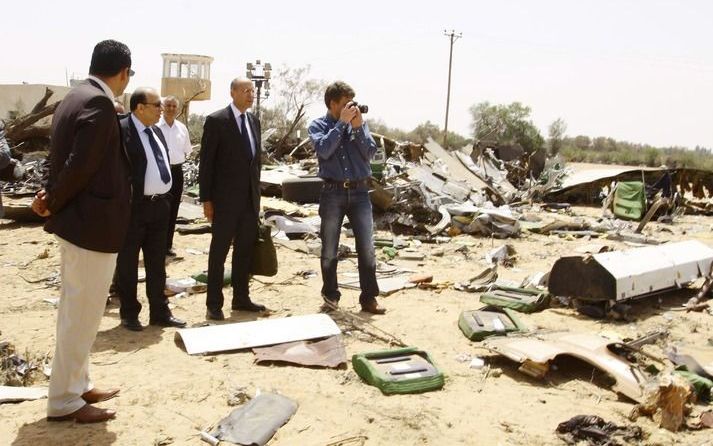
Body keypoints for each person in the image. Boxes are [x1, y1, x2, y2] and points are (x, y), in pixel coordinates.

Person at [31, 39, 133, 423]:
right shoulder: (100, 103)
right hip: (91, 224)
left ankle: (78, 382)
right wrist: (52, 198)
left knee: (79, 310)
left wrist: (48, 194)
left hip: (80, 222)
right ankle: (64, 401)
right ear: (124, 72)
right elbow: (80, 164)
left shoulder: (74, 96)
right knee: (82, 313)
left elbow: (57, 158)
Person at [308, 81, 385, 314]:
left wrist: (359, 127)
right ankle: (331, 297)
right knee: (330, 248)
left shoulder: (359, 124)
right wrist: (341, 124)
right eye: (345, 104)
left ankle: (369, 298)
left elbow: (371, 152)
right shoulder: (318, 125)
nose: (352, 108)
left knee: (367, 248)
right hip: (332, 192)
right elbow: (324, 149)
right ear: (333, 104)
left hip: (360, 192)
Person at [115, 87, 187, 331]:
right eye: (156, 105)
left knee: (157, 262)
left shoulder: (155, 130)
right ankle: (129, 312)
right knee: (128, 263)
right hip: (133, 209)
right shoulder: (121, 131)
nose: (161, 109)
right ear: (140, 107)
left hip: (159, 206)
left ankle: (159, 311)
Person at [199, 78, 265, 321]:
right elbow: (206, 163)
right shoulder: (217, 121)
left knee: (244, 252)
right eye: (246, 91)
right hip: (224, 201)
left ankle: (241, 298)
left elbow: (255, 164)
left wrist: (257, 199)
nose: (251, 95)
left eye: (252, 91)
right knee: (219, 253)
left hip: (249, 201)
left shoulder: (254, 121)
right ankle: (214, 303)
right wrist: (206, 198)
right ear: (233, 92)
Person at [157, 95, 193, 257]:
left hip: (177, 172)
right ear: (163, 107)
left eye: (174, 106)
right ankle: (155, 246)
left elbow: (187, 150)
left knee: (173, 210)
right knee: (158, 210)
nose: (171, 109)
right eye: (168, 105)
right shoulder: (155, 127)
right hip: (159, 172)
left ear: (177, 109)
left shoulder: (182, 128)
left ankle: (167, 246)